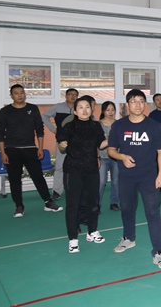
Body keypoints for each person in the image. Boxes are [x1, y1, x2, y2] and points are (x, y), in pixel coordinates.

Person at [107, 89, 161, 269]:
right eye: (134, 101)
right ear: (127, 105)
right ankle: (128, 238)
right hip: (126, 177)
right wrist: (122, 157)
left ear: (145, 104)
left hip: (149, 176)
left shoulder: (153, 126)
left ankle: (159, 251)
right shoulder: (118, 126)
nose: (138, 105)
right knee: (127, 209)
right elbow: (111, 150)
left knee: (152, 212)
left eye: (141, 101)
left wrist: (160, 175)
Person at [0, 84, 63, 218]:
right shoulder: (5, 111)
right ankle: (19, 206)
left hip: (30, 149)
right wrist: (3, 153)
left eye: (22, 92)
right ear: (11, 95)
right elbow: (0, 134)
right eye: (16, 93)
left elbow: (39, 130)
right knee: (15, 179)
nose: (20, 95)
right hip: (11, 150)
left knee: (38, 176)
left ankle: (48, 202)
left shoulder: (32, 109)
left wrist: (40, 148)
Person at [57, 97, 107, 253]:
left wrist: (115, 138)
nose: (84, 110)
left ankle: (92, 231)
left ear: (91, 110)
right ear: (75, 111)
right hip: (73, 170)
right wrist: (62, 145)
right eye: (80, 107)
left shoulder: (96, 126)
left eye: (87, 107)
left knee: (93, 203)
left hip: (91, 170)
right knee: (73, 204)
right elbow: (61, 144)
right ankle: (73, 239)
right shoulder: (69, 126)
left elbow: (101, 144)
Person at [42, 88, 79, 199]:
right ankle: (57, 191)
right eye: (70, 94)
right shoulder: (58, 107)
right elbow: (44, 116)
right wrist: (53, 129)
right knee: (60, 167)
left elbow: (92, 120)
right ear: (66, 96)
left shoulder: (80, 107)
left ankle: (76, 190)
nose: (73, 96)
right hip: (62, 142)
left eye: (75, 95)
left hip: (78, 143)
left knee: (78, 167)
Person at [99, 101, 120, 211]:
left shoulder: (118, 124)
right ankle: (96, 204)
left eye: (112, 110)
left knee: (116, 181)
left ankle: (114, 202)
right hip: (102, 157)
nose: (111, 112)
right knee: (101, 182)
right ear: (103, 111)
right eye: (108, 110)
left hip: (116, 157)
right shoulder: (97, 125)